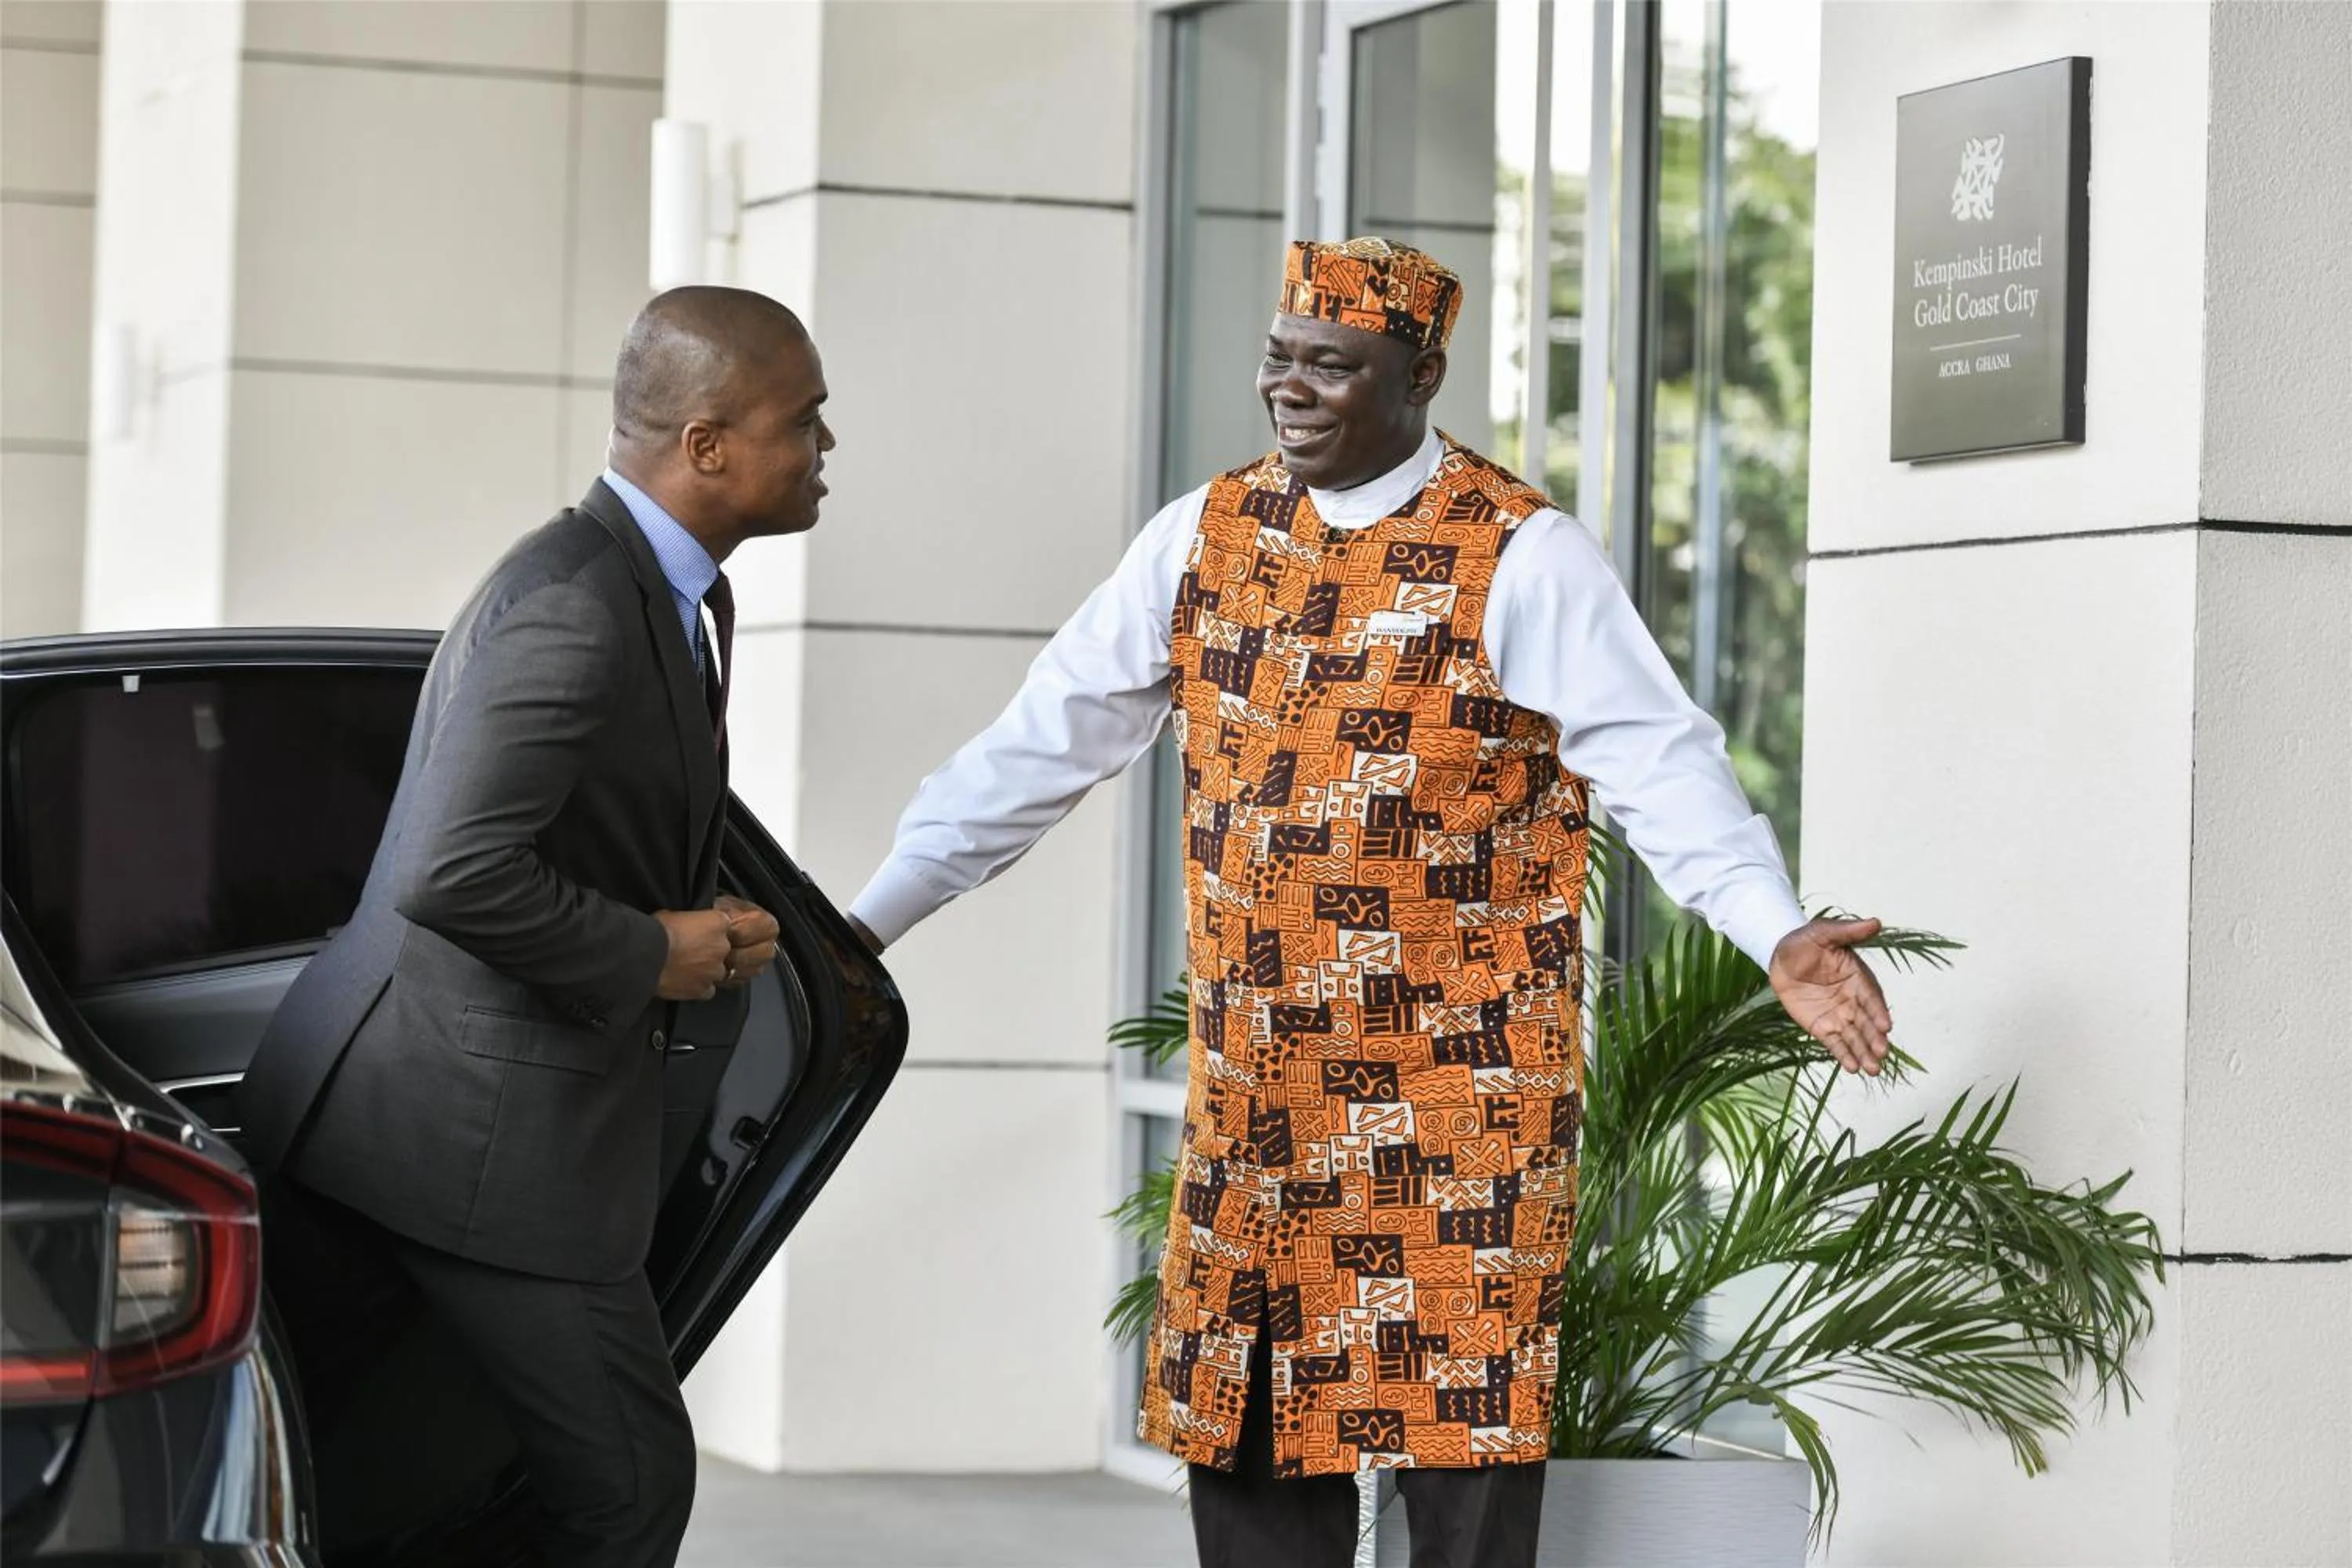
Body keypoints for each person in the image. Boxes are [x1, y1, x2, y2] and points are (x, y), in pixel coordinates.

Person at [845, 238, 1892, 1568]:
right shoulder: (1204, 534)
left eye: (1331, 366)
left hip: (1457, 1120)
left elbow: (1659, 761)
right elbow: (1037, 745)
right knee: (1252, 1479)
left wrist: (1773, 927)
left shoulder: (1521, 551)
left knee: (1461, 1499)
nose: (1291, 388)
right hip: (1264, 1112)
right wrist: (862, 926)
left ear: (1421, 375)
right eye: (1279, 357)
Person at [238, 285, 833, 1567]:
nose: (827, 449)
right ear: (711, 444)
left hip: (442, 1115)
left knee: (403, 1480)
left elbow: (571, 833)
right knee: (625, 1481)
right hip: (466, 1141)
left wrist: (687, 916)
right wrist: (652, 950)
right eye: (808, 421)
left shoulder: (667, 593)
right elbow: (452, 872)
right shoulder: (573, 601)